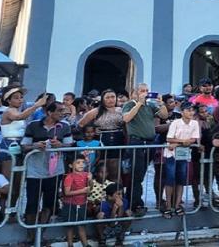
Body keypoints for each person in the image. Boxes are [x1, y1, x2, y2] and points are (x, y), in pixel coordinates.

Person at [20, 102, 73, 244]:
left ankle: (40, 234)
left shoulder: (65, 126)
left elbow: (70, 145)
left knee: (49, 203)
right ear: (49, 112)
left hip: (55, 171)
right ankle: (30, 235)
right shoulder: (33, 125)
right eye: (59, 111)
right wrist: (35, 146)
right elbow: (24, 146)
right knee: (32, 202)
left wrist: (60, 145)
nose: (63, 113)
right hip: (34, 170)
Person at [121, 84, 168, 216]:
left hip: (150, 142)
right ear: (135, 93)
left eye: (147, 91)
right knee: (137, 174)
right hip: (137, 142)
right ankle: (135, 204)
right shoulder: (130, 104)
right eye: (142, 91)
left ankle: (133, 201)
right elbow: (126, 118)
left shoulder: (150, 105)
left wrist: (161, 103)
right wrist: (139, 104)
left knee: (141, 173)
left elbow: (163, 115)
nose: (145, 93)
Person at [162, 102, 199, 218]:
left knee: (181, 179)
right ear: (182, 112)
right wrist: (182, 142)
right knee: (170, 178)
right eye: (188, 110)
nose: (191, 112)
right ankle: (168, 205)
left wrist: (179, 143)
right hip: (171, 154)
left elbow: (193, 139)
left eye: (192, 110)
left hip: (184, 154)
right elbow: (169, 138)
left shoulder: (194, 123)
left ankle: (177, 205)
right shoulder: (176, 123)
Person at [79, 90, 124, 181]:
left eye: (113, 97)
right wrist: (92, 132)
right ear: (102, 99)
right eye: (107, 97)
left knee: (116, 170)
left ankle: (117, 193)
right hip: (102, 141)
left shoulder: (121, 110)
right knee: (102, 170)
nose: (110, 99)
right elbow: (80, 124)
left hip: (118, 140)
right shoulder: (96, 111)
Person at [62, 155, 91, 247]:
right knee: (70, 225)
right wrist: (82, 191)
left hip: (82, 203)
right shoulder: (69, 177)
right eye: (78, 163)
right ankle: (70, 245)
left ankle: (85, 245)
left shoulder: (86, 174)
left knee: (81, 225)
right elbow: (67, 192)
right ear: (71, 165)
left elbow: (90, 189)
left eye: (83, 162)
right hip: (70, 204)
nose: (81, 165)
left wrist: (90, 180)